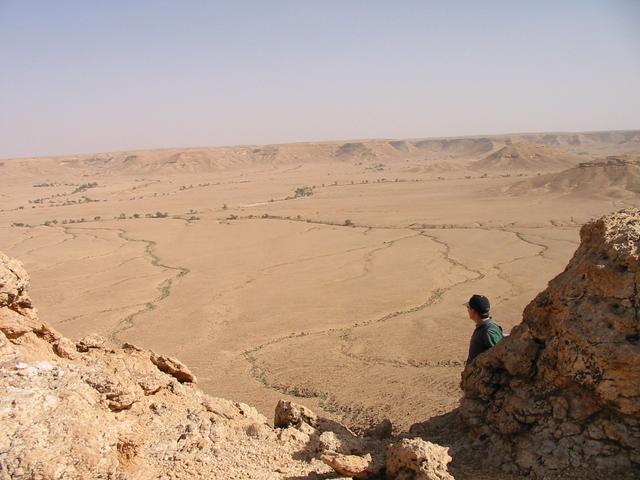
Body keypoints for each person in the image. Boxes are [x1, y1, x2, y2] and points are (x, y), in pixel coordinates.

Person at [465, 294, 503, 363]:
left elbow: (498, 357)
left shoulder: (489, 331)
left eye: (468, 307)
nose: (467, 310)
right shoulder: (484, 327)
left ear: (473, 311)